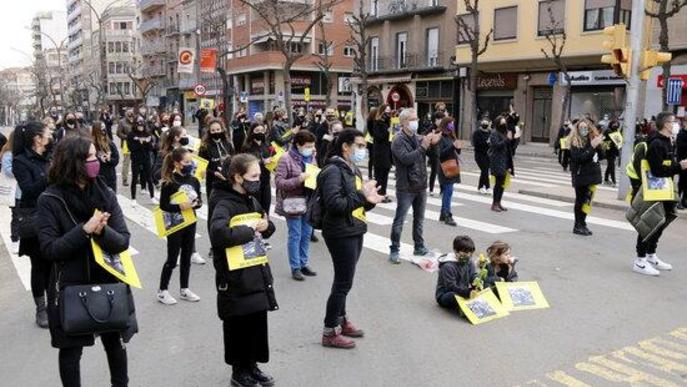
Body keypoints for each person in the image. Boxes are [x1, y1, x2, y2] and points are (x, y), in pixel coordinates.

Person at [35, 136, 137, 387]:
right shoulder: (50, 199)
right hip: (69, 284)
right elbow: (50, 248)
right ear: (74, 162)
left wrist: (102, 231)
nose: (97, 161)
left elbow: (123, 241)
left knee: (115, 344)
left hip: (108, 279)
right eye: (90, 157)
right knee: (71, 351)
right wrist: (84, 230)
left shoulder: (105, 192)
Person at [209, 153, 277, 387]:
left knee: (256, 321)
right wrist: (249, 231)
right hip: (234, 275)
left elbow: (266, 222)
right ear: (237, 177)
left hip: (255, 270)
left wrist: (267, 226)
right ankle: (239, 371)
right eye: (254, 176)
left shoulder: (250, 198)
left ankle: (253, 366)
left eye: (259, 175)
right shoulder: (223, 202)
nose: (258, 179)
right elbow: (218, 234)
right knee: (238, 324)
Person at [320, 129, 382, 348]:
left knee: (345, 280)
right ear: (346, 146)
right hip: (339, 231)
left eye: (365, 146)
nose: (363, 150)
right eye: (360, 145)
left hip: (354, 228)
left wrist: (370, 201)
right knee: (343, 283)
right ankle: (329, 332)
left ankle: (341, 319)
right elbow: (335, 205)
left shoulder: (352, 169)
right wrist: (361, 196)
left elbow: (354, 202)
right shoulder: (333, 171)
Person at [631, 112, 687, 276]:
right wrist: (680, 166)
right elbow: (657, 171)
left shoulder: (667, 141)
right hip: (655, 189)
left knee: (662, 221)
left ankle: (650, 255)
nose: (675, 123)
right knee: (649, 224)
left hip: (665, 188)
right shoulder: (656, 143)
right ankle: (640, 260)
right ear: (666, 124)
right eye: (673, 121)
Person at [13, 121, 53, 328]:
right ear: (37, 138)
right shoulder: (21, 161)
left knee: (54, 263)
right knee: (39, 266)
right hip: (34, 218)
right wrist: (49, 176)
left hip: (53, 216)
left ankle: (54, 303)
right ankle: (41, 309)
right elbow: (28, 190)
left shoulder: (49, 156)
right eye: (47, 133)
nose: (50, 135)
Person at [388, 108, 440, 264]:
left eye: (416, 119)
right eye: (413, 119)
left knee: (419, 219)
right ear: (404, 122)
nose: (415, 122)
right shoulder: (398, 140)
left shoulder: (418, 138)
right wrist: (424, 146)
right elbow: (406, 159)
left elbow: (429, 155)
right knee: (400, 220)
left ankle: (419, 246)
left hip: (420, 185)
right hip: (405, 187)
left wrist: (433, 144)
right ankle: (394, 249)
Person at [157, 147, 203, 305]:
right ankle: (162, 290)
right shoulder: (170, 182)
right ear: (177, 164)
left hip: (190, 222)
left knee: (186, 257)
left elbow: (200, 202)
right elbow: (163, 205)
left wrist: (195, 204)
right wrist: (179, 207)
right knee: (172, 258)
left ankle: (184, 288)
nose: (190, 164)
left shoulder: (194, 180)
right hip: (175, 224)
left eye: (191, 161)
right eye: (186, 162)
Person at [275, 130, 318, 281]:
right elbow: (279, 182)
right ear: (298, 145)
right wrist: (298, 179)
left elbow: (315, 173)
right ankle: (295, 267)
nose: (311, 148)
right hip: (293, 201)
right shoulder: (285, 159)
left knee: (306, 234)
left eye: (312, 145)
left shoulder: (312, 157)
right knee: (295, 235)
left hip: (309, 200)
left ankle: (303, 263)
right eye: (308, 145)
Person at [569, 119, 604, 236]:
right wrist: (592, 147)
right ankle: (577, 225)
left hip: (592, 175)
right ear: (577, 129)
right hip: (580, 176)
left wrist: (598, 144)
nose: (584, 130)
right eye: (581, 127)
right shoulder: (575, 142)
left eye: (586, 127)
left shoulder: (591, 139)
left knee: (587, 201)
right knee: (580, 200)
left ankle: (583, 223)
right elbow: (580, 158)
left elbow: (602, 156)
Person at [242, 122, 276, 217]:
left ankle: (265, 226)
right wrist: (262, 162)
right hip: (253, 182)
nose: (260, 133)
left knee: (266, 208)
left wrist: (274, 161)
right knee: (255, 209)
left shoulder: (267, 144)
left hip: (266, 180)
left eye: (262, 130)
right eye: (257, 131)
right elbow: (246, 163)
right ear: (252, 132)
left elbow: (274, 156)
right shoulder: (247, 147)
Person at [435, 235, 477, 311]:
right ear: (455, 251)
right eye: (464, 253)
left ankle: (465, 303)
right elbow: (451, 286)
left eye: (469, 253)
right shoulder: (448, 266)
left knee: (484, 287)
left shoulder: (469, 262)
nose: (467, 255)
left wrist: (477, 280)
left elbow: (472, 276)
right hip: (447, 294)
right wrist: (467, 292)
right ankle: (463, 307)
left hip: (463, 291)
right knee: (454, 296)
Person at [199, 118, 234, 200]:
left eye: (218, 129)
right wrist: (214, 173)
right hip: (213, 182)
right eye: (213, 130)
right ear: (209, 132)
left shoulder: (227, 144)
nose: (216, 132)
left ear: (222, 129)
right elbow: (202, 166)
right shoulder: (205, 147)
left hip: (227, 180)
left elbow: (234, 159)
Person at [436, 117, 461, 226]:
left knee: (449, 190)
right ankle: (447, 214)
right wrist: (452, 146)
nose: (452, 125)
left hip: (452, 165)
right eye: (451, 123)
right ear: (446, 124)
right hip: (444, 166)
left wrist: (458, 147)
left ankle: (443, 213)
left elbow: (456, 151)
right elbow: (440, 154)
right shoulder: (440, 136)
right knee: (448, 191)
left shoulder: (451, 135)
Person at [488, 115, 514, 212]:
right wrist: (507, 139)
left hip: (505, 160)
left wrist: (511, 139)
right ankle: (494, 203)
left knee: (503, 183)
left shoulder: (505, 132)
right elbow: (496, 145)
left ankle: (499, 202)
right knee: (498, 183)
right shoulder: (494, 133)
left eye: (505, 123)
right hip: (497, 160)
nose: (504, 124)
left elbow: (509, 145)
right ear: (498, 123)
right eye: (502, 122)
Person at [126, 118, 156, 202]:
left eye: (142, 125)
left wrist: (146, 142)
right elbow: (131, 148)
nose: (141, 127)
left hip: (146, 158)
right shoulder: (131, 135)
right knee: (134, 178)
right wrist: (140, 142)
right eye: (139, 125)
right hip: (136, 159)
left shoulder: (147, 133)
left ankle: (152, 197)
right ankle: (133, 198)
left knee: (149, 178)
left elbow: (150, 148)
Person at [1, 131, 21, 254]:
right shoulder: (8, 154)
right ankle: (15, 240)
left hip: (25, 191)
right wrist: (23, 170)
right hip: (15, 193)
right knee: (16, 217)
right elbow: (8, 171)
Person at [372, 104, 393, 203]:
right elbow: (378, 136)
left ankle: (383, 193)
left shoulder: (388, 122)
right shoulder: (377, 123)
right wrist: (387, 131)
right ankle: (378, 194)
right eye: (386, 111)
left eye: (389, 111)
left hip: (387, 151)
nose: (388, 113)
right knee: (379, 175)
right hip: (380, 152)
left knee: (385, 173)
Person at [91, 121, 120, 192]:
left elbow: (116, 159)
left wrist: (109, 159)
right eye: (101, 128)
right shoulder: (92, 145)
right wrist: (99, 158)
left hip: (110, 176)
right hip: (98, 177)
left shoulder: (110, 143)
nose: (103, 130)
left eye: (104, 127)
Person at [425, 111, 445, 197]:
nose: (440, 121)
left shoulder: (444, 128)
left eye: (442, 119)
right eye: (439, 119)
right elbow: (426, 138)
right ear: (435, 119)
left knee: (443, 171)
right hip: (434, 152)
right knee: (434, 171)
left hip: (443, 151)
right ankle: (431, 189)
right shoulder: (431, 128)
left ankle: (442, 189)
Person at [472, 118, 492, 194]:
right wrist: (486, 142)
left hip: (487, 155)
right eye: (484, 123)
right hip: (479, 155)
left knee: (485, 171)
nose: (486, 125)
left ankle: (482, 187)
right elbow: (476, 144)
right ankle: (486, 187)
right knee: (484, 170)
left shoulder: (489, 133)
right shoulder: (477, 133)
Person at [117, 109, 136, 187]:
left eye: (132, 114)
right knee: (126, 163)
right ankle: (124, 179)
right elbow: (118, 133)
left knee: (136, 162)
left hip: (136, 144)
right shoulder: (122, 122)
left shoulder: (135, 121)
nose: (130, 115)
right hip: (126, 144)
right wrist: (127, 137)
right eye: (129, 114)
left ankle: (137, 178)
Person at [603, 120, 621, 186]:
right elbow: (615, 140)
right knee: (612, 166)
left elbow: (619, 142)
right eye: (614, 124)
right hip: (609, 151)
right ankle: (614, 181)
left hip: (613, 151)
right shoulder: (608, 131)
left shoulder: (615, 131)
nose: (615, 125)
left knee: (610, 166)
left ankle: (606, 179)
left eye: (616, 124)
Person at [675, 118, 687, 209]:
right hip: (682, 162)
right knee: (682, 182)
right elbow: (681, 146)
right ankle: (677, 200)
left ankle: (684, 200)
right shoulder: (681, 134)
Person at [365, 108, 377, 180]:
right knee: (372, 158)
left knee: (372, 158)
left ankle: (371, 173)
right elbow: (371, 132)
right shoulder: (371, 121)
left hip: (370, 141)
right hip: (372, 141)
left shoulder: (369, 120)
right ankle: (371, 173)